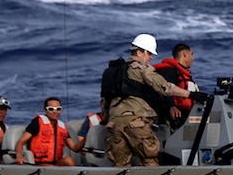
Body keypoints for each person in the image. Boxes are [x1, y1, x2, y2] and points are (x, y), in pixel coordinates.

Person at [102, 33, 208, 167]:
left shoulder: (114, 71)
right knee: (149, 161)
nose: (151, 58)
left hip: (114, 122)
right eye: (150, 54)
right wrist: (191, 95)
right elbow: (165, 87)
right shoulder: (142, 69)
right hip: (136, 122)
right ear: (141, 52)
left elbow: (105, 100)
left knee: (120, 165)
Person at [14, 97, 85, 166]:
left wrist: (86, 138)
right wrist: (19, 155)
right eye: (51, 109)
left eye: (58, 109)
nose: (55, 112)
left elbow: (75, 148)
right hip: (39, 164)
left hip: (56, 164)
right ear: (45, 110)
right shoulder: (37, 123)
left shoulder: (62, 127)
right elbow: (21, 142)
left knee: (69, 160)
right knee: (50, 167)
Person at [154, 43, 200, 130]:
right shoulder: (170, 71)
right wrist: (171, 106)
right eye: (191, 54)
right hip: (173, 116)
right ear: (185, 55)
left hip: (185, 115)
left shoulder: (184, 74)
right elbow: (165, 88)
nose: (193, 59)